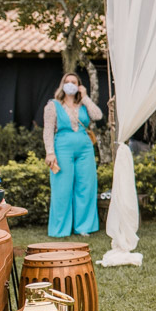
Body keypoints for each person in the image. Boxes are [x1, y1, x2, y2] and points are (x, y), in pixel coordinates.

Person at [43, 73, 103, 238]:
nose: (70, 84)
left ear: (79, 86)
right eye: (67, 82)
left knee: (86, 186)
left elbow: (98, 116)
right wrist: (50, 152)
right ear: (62, 85)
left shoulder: (83, 104)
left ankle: (83, 226)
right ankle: (60, 229)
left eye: (73, 82)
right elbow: (48, 130)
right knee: (62, 188)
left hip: (85, 149)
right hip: (62, 149)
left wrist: (85, 97)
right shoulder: (53, 105)